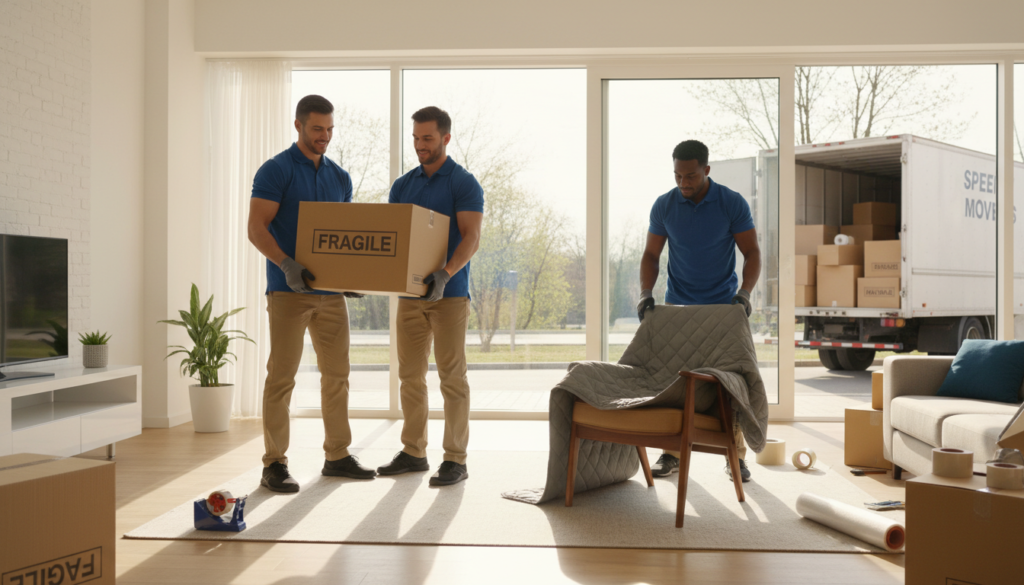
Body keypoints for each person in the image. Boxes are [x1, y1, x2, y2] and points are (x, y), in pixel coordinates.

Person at [248, 94, 376, 493]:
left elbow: (344, 235)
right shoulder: (276, 170)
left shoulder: (340, 177)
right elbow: (257, 228)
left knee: (337, 375)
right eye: (318, 128)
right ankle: (274, 463)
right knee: (282, 377)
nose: (325, 136)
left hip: (330, 295)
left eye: (330, 129)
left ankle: (337, 455)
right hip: (288, 292)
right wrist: (286, 264)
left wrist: (351, 276)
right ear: (299, 126)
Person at [636, 139, 761, 483]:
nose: (684, 183)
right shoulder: (664, 205)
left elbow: (752, 252)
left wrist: (745, 294)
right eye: (678, 176)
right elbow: (650, 255)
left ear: (706, 170)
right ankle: (671, 453)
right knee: (674, 383)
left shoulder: (731, 203)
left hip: (723, 308)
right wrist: (646, 294)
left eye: (690, 176)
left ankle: (736, 456)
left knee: (729, 384)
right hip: (678, 306)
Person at [376, 106, 484, 486]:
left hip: (449, 296)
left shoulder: (464, 183)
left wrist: (446, 274)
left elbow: (471, 236)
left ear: (445, 138)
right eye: (416, 138)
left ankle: (455, 458)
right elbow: (393, 239)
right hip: (409, 297)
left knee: (452, 378)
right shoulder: (403, 185)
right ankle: (413, 451)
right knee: (409, 376)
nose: (420, 145)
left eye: (428, 138)